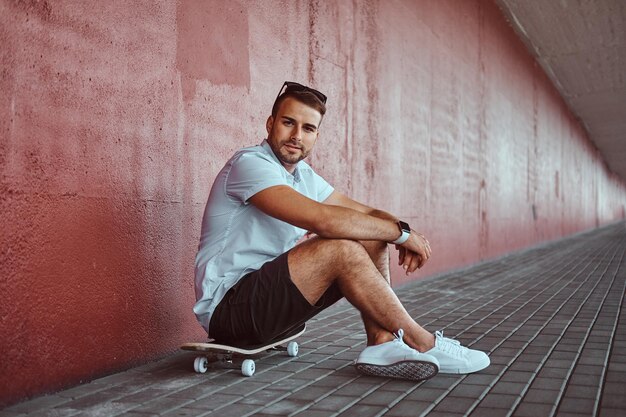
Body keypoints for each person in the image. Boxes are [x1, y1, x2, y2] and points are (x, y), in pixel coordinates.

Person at [193, 81, 490, 381]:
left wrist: (403, 229)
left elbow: (366, 215)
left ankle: (382, 343)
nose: (297, 136)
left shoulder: (303, 177)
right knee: (340, 248)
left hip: (268, 305)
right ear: (270, 124)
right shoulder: (250, 164)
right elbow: (324, 221)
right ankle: (424, 343)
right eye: (288, 123)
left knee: (369, 235)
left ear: (316, 136)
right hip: (229, 310)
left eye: (308, 129)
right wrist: (400, 236)